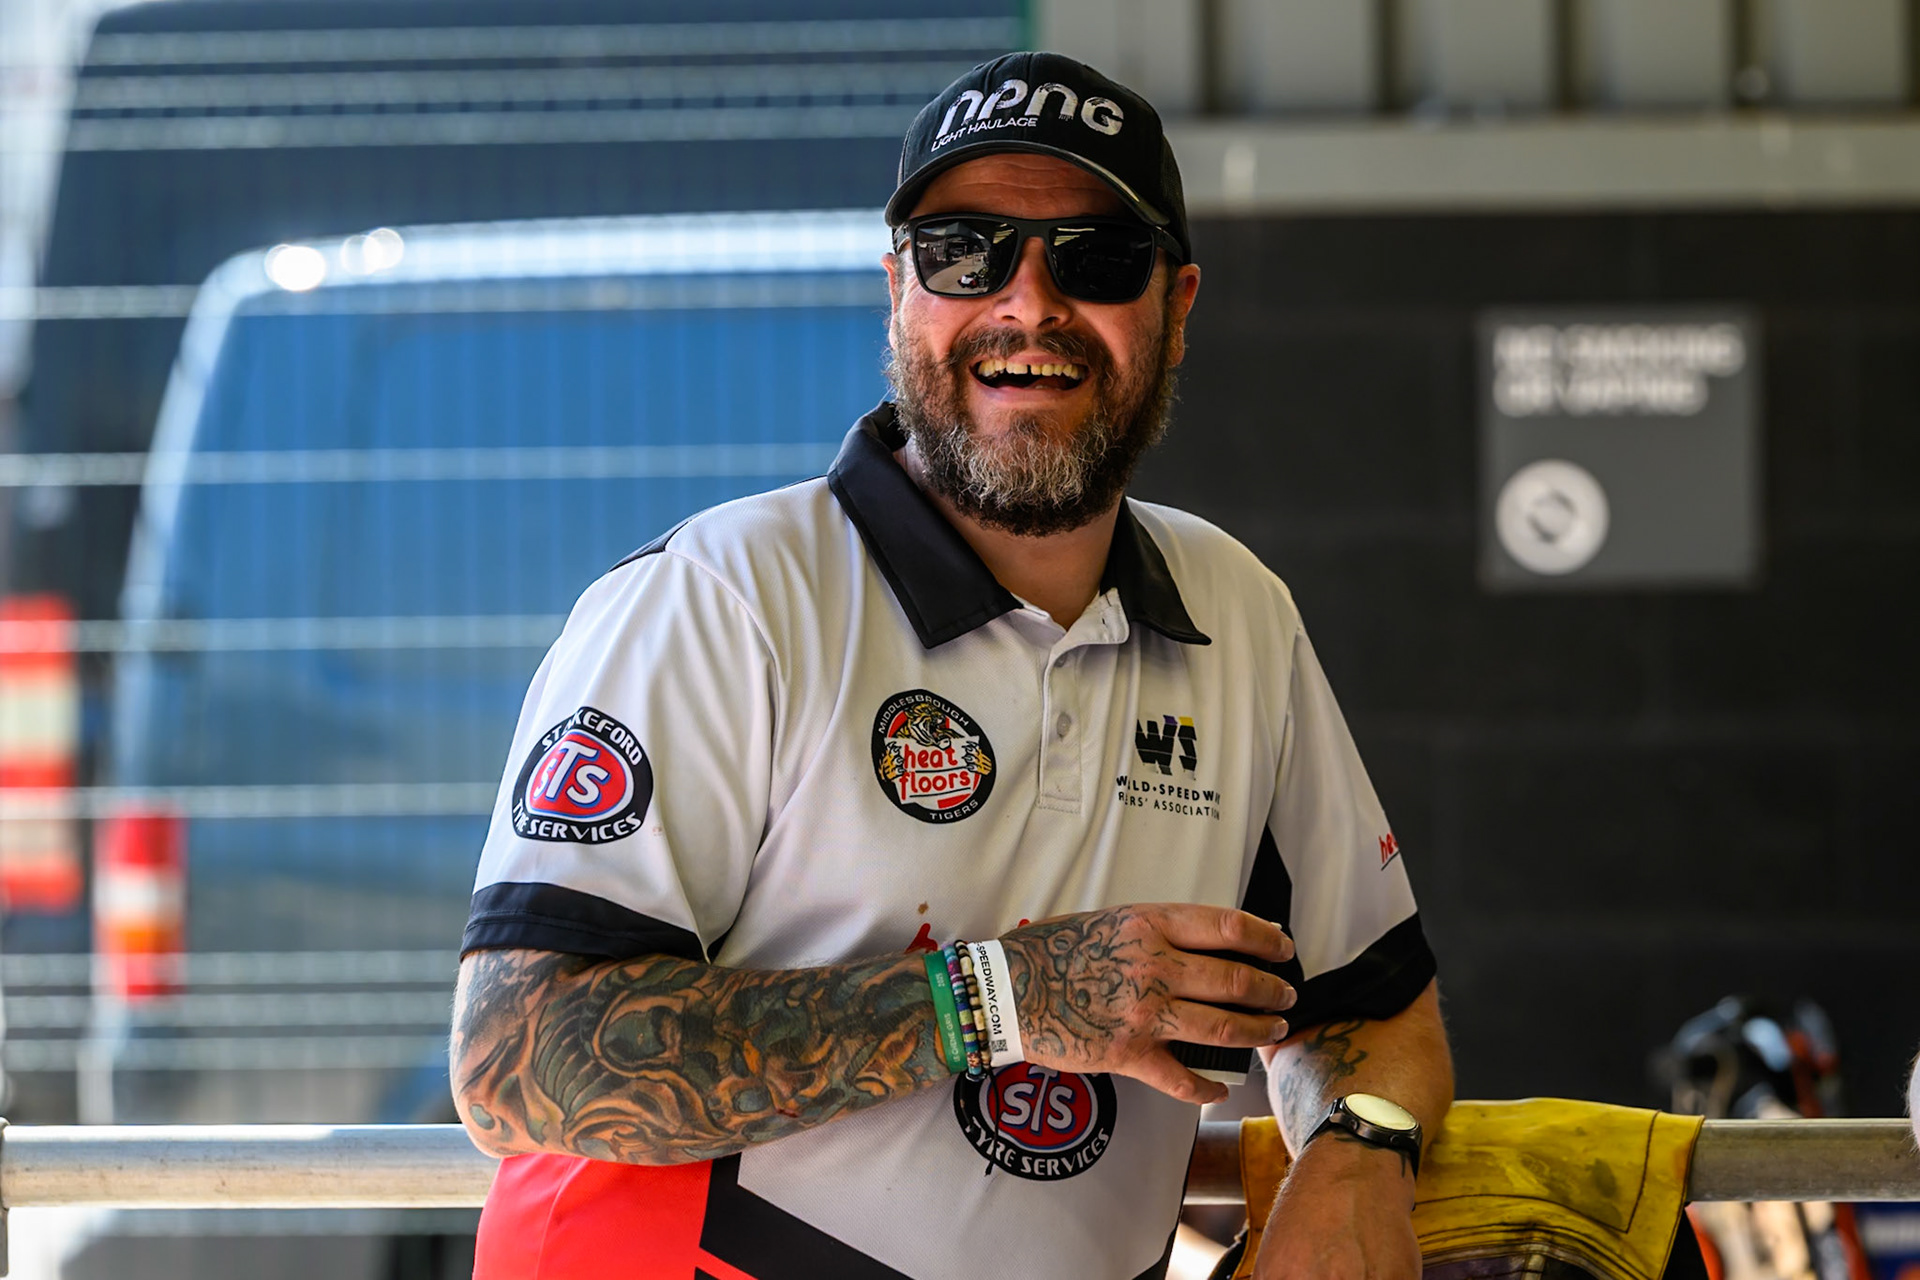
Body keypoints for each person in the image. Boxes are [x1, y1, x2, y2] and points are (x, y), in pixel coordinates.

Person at [450, 52, 1453, 1280]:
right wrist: (1006, 996)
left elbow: (1374, 1005)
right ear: (897, 290)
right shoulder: (722, 599)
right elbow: (516, 1059)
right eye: (963, 251)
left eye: (1095, 258)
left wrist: (1356, 1152)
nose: (1026, 304)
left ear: (1178, 304)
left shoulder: (1237, 612)